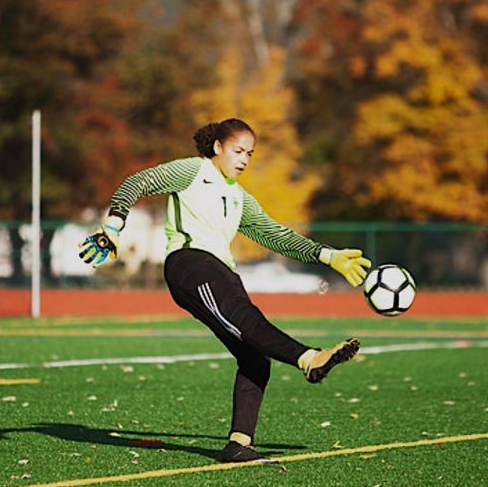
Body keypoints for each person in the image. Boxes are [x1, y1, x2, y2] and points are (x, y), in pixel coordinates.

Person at [78, 118, 371, 464]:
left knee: (254, 356)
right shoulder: (192, 171)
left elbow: (276, 235)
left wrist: (328, 255)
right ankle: (308, 358)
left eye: (250, 153)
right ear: (217, 147)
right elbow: (137, 182)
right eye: (238, 150)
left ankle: (239, 444)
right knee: (247, 320)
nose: (245, 159)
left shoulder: (238, 197)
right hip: (190, 265)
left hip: (222, 272)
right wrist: (113, 226)